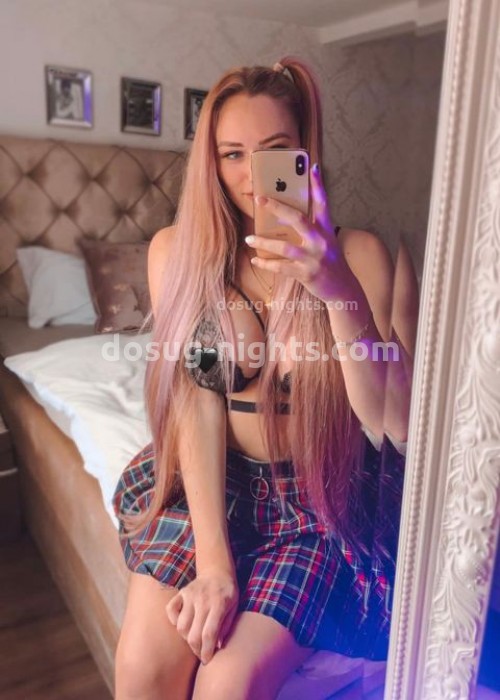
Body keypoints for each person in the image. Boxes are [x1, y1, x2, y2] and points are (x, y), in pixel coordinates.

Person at [113, 56, 409, 700]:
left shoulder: (359, 254)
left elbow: (383, 418)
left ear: (305, 153)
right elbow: (194, 403)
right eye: (232, 155)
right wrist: (214, 565)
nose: (253, 178)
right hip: (211, 484)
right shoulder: (177, 253)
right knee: (142, 673)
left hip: (317, 499)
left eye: (274, 151)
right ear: (211, 164)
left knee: (228, 684)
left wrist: (335, 286)